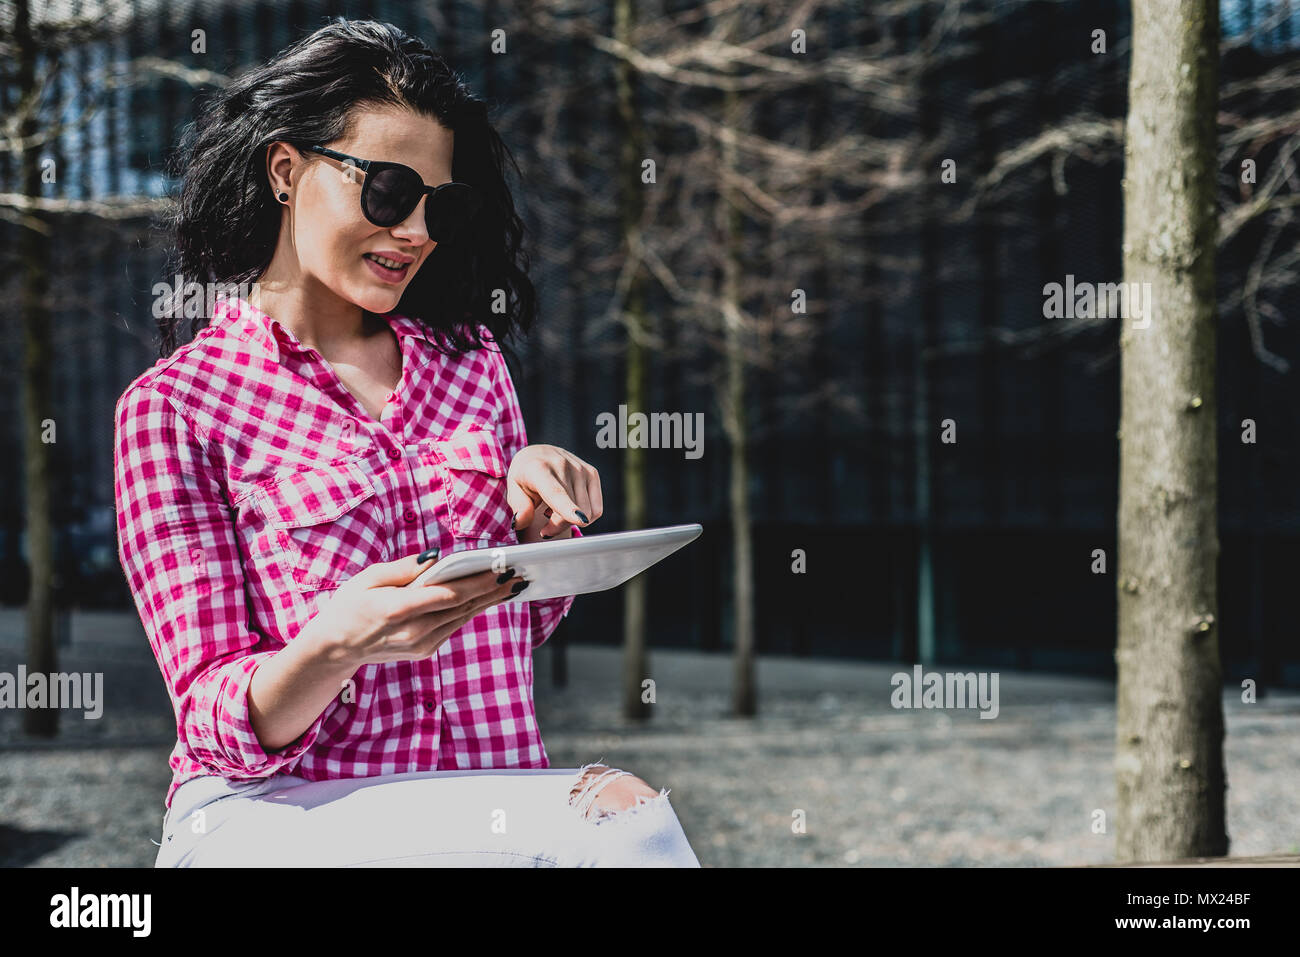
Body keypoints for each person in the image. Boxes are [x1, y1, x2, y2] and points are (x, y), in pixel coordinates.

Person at [113, 18, 699, 867]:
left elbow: (507, 636)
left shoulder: (472, 365)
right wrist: (337, 641)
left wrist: (536, 539)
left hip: (477, 797)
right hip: (268, 809)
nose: (418, 230)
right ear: (288, 171)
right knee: (622, 818)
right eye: (388, 191)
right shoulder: (176, 408)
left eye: (441, 204)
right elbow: (215, 717)